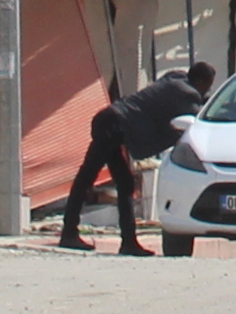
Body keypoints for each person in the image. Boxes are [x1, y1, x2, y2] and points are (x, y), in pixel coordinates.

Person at [57, 58, 221, 254]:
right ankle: (70, 234)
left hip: (110, 121)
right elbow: (198, 120)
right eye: (207, 86)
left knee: (124, 183)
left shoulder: (175, 78)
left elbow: (170, 86)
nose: (205, 91)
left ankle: (127, 242)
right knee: (87, 178)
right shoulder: (188, 94)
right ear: (202, 82)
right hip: (113, 125)